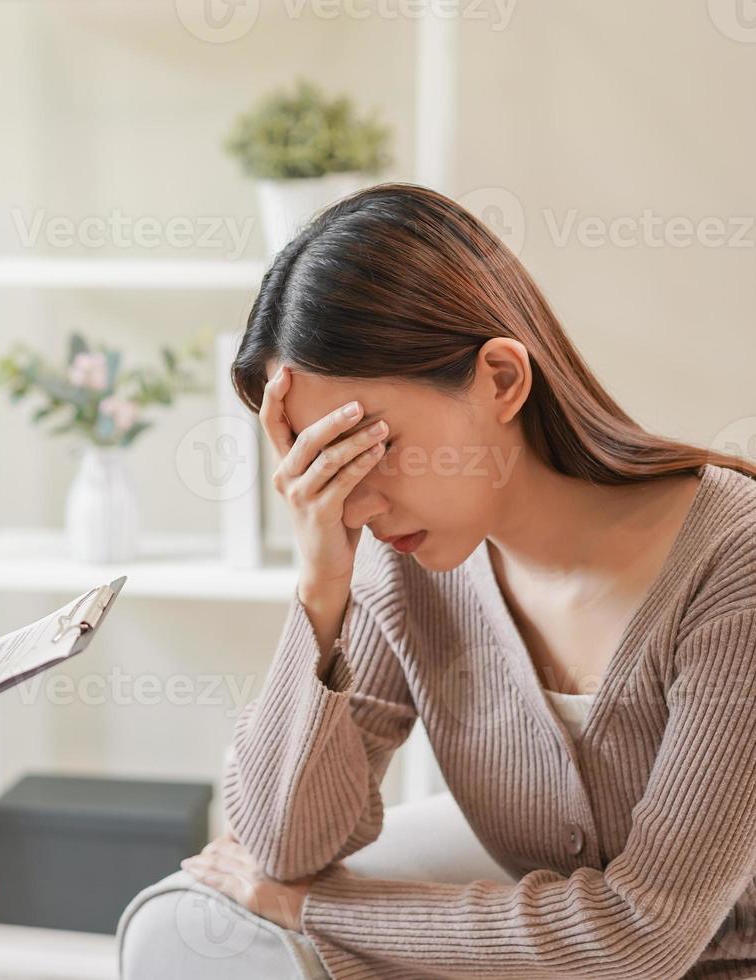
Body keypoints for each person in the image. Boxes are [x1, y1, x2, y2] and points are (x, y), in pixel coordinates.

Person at [119, 183, 756, 978]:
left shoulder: (735, 566)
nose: (357, 500)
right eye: (320, 463)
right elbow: (283, 846)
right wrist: (320, 589)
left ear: (499, 380)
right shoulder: (410, 563)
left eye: (369, 447)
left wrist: (321, 910)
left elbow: (640, 937)